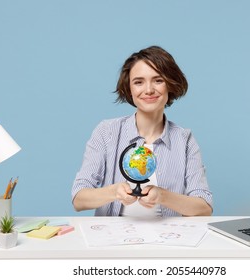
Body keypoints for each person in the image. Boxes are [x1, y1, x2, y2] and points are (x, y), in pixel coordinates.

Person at [71, 46, 212, 217]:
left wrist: (163, 196)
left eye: (158, 80)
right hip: (114, 238)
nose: (149, 90)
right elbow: (78, 199)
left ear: (170, 84)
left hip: (167, 239)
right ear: (129, 89)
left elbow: (204, 207)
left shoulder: (184, 139)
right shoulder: (106, 132)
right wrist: (114, 192)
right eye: (138, 82)